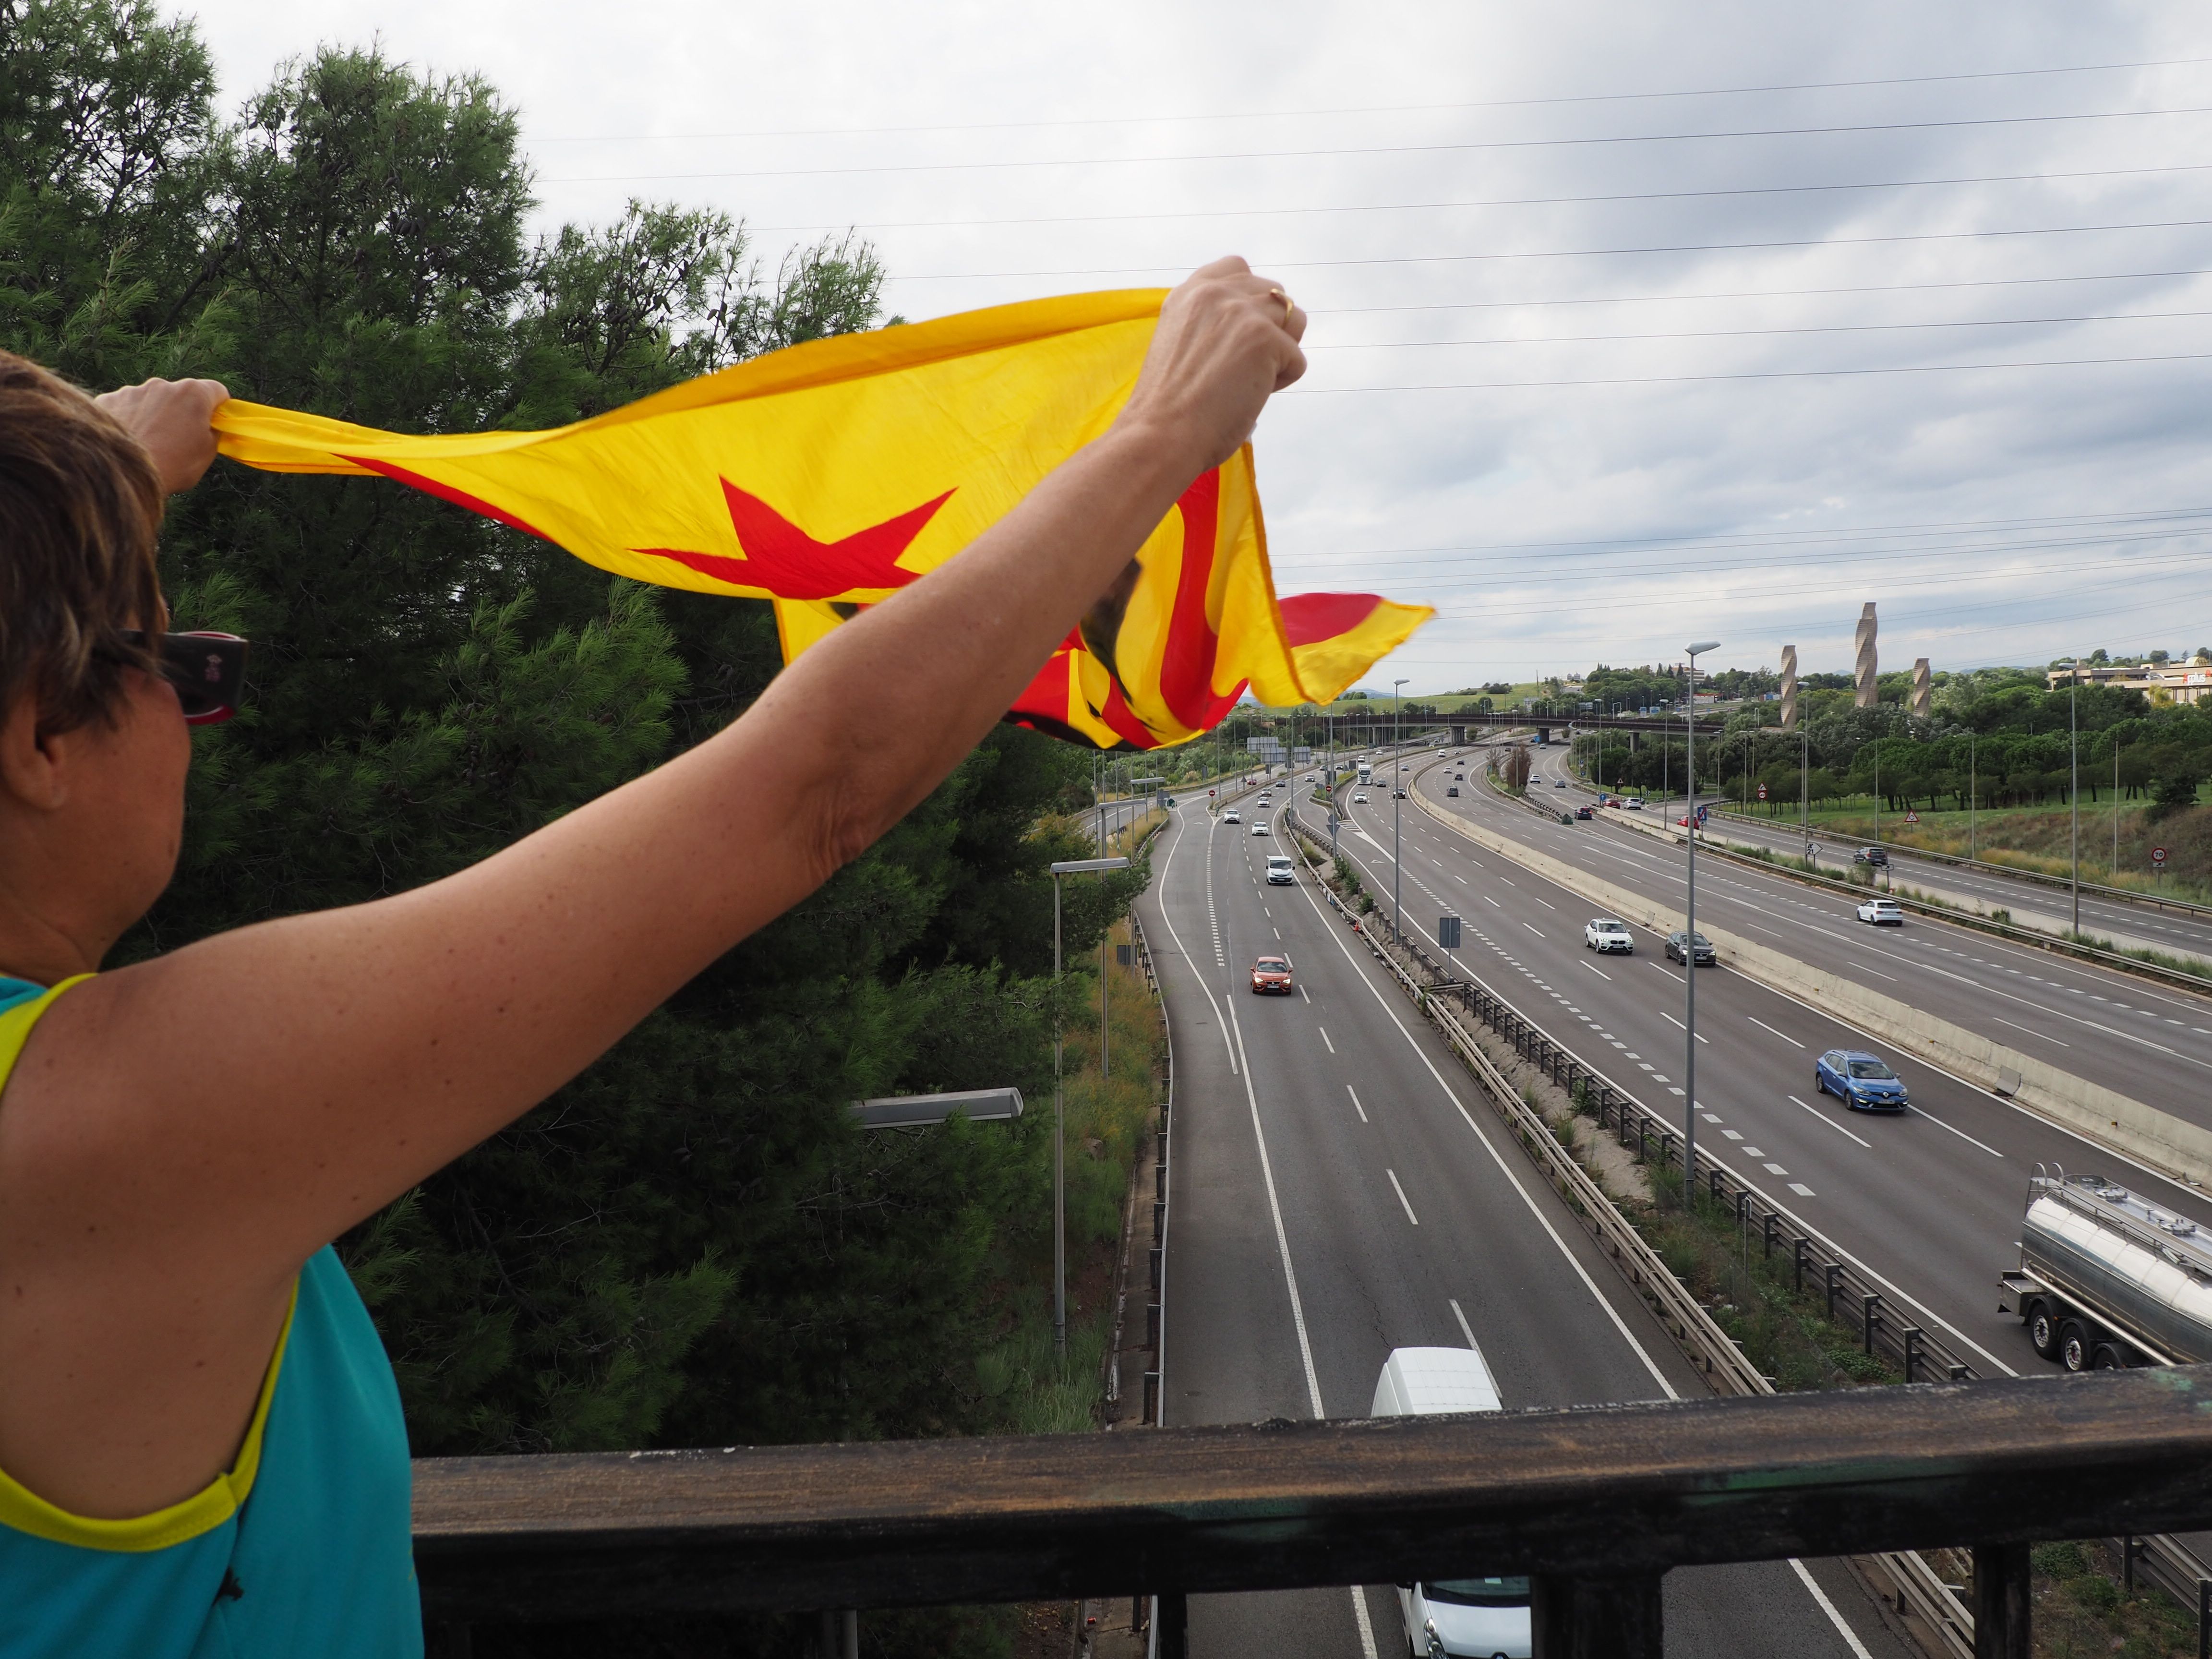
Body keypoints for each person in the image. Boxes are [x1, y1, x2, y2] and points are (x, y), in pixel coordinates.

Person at [0, 258, 1306, 1657]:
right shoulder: (106, 1129)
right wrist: (1160, 431)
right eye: (179, 668)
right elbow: (812, 787)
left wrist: (86, 489)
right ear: (38, 741)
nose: (207, 714)